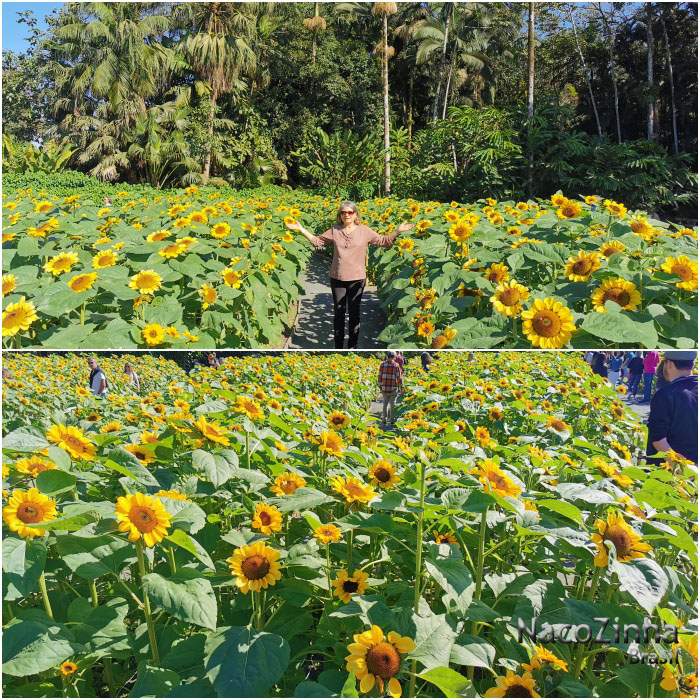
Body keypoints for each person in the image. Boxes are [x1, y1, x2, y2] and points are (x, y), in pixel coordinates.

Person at [286, 202, 414, 348]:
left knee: (354, 314)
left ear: (355, 214)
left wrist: (398, 231)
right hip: (338, 278)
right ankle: (338, 346)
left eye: (350, 212)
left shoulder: (364, 231)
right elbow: (317, 242)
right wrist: (301, 229)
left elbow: (383, 241)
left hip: (357, 279)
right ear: (340, 215)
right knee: (339, 313)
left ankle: (353, 346)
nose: (346, 215)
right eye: (343, 212)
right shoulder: (334, 230)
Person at [646, 351, 697, 464]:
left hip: (670, 473)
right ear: (692, 365)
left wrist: (682, 468)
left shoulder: (665, 394)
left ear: (668, 364)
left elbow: (658, 440)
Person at [378, 351, 402, 428]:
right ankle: (391, 420)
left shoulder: (382, 364)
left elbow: (380, 376)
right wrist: (400, 387)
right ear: (394, 357)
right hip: (393, 388)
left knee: (385, 404)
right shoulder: (396, 365)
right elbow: (399, 377)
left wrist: (380, 386)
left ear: (387, 356)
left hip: (384, 388)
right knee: (392, 405)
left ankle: (384, 419)